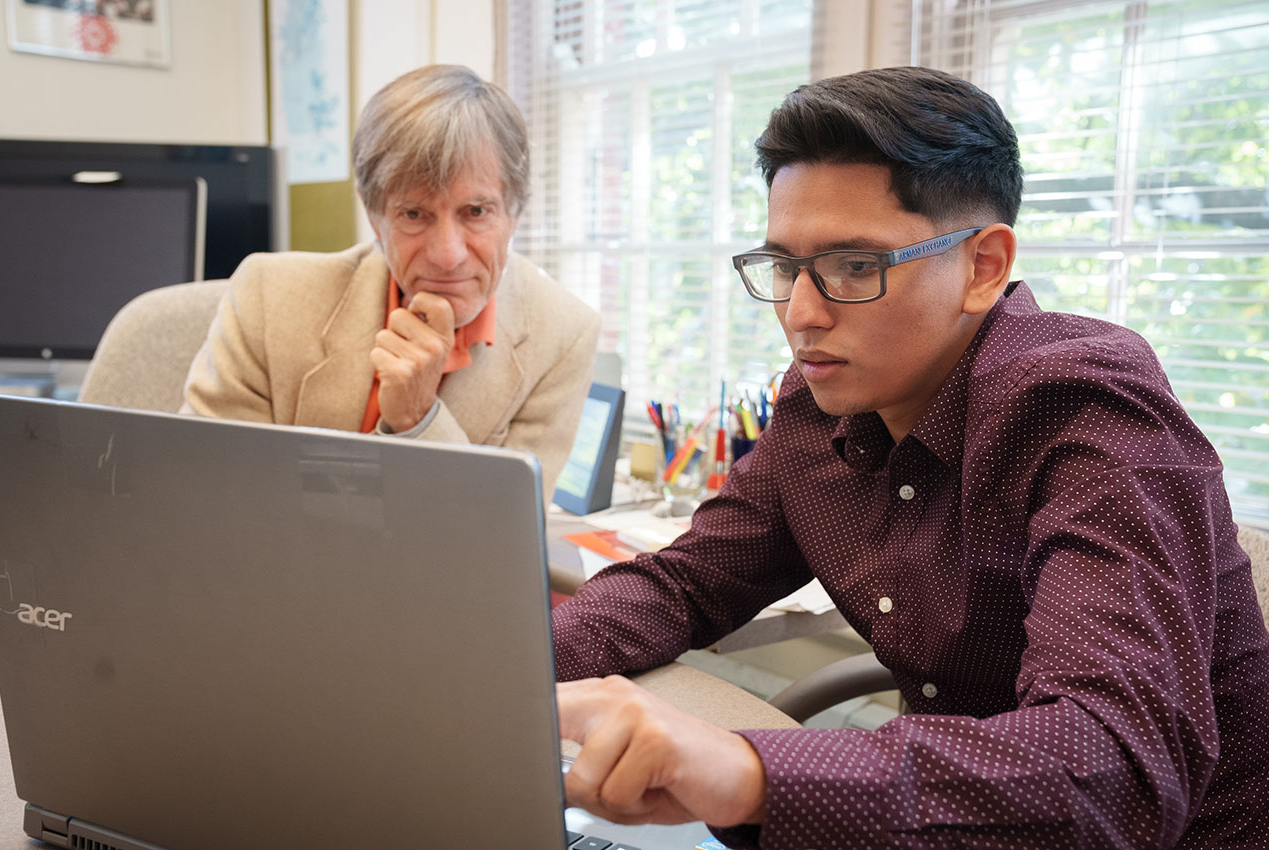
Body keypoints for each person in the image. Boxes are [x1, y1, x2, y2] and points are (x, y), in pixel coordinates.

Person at [551, 66, 1269, 848]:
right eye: (787, 266)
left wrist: (748, 771)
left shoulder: (1086, 409)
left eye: (855, 265)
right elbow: (682, 583)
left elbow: (1109, 767)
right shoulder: (819, 400)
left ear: (983, 267)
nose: (800, 313)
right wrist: (502, 676)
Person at [182, 65, 599, 499]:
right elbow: (207, 492)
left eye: (476, 212)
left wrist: (419, 420)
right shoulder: (267, 297)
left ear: (514, 213)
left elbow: (502, 539)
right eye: (414, 214)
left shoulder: (563, 334)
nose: (447, 254)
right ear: (374, 216)